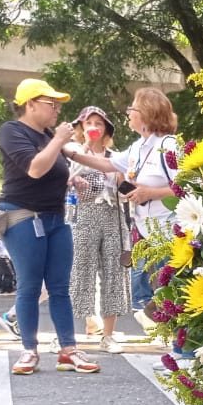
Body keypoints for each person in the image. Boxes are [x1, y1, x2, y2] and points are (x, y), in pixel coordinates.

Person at [0, 78, 100, 375]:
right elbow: (35, 168)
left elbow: (71, 164)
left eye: (57, 105)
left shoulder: (49, 135)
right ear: (29, 105)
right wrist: (58, 140)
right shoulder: (13, 131)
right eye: (50, 104)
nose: (57, 110)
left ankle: (69, 349)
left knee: (60, 287)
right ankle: (29, 350)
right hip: (23, 217)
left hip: (56, 218)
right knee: (29, 286)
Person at [74, 88, 179, 330]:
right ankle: (173, 348)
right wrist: (71, 152)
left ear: (146, 113)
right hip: (147, 234)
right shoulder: (138, 147)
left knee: (172, 294)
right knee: (158, 294)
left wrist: (150, 193)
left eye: (132, 107)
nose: (128, 112)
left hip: (169, 233)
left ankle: (181, 352)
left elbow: (188, 186)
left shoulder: (168, 146)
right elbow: (108, 163)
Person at [68, 106, 130, 353]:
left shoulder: (116, 157)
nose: (93, 127)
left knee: (114, 273)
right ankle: (68, 334)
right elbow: (62, 181)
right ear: (81, 127)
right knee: (80, 272)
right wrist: (74, 179)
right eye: (89, 123)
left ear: (106, 129)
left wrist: (122, 180)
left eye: (99, 123)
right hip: (83, 215)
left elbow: (128, 189)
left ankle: (108, 336)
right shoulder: (72, 153)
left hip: (113, 216)